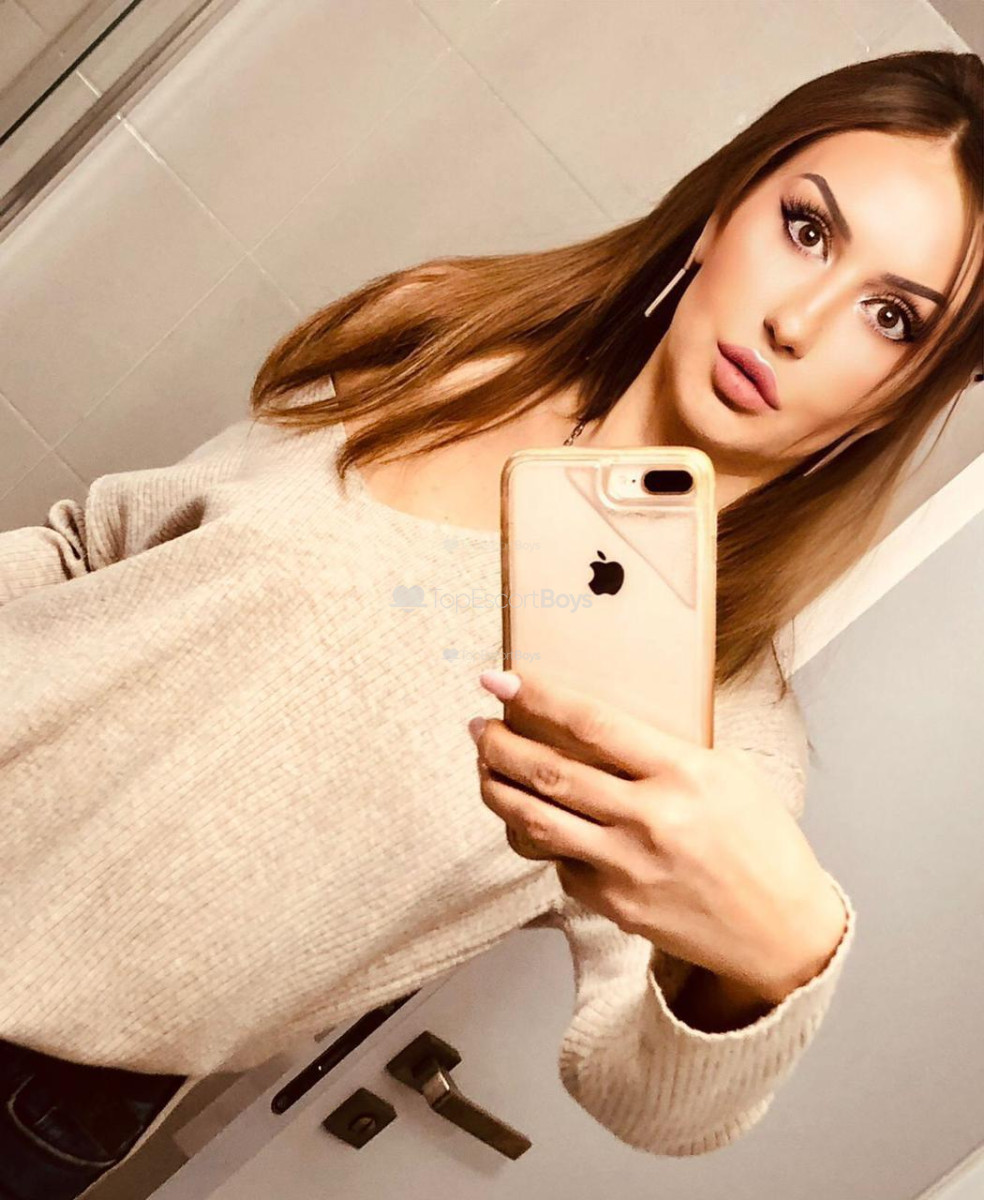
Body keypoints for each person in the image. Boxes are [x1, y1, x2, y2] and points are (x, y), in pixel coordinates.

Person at [1, 47, 980, 1200]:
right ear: (724, 212)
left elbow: (645, 1088)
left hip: (43, 1081)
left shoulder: (723, 730)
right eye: (806, 229)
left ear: (909, 392)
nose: (798, 322)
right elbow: (98, 547)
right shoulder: (451, 347)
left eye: (891, 318)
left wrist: (773, 965)